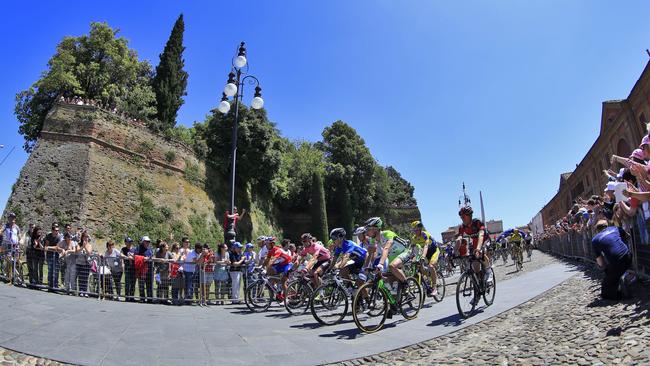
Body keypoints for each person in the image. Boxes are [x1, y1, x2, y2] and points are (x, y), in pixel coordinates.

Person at [592, 220, 633, 300]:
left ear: (597, 230)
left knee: (605, 288)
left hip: (616, 262)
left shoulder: (595, 239)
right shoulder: (616, 228)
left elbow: (600, 262)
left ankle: (620, 293)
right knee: (614, 272)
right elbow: (628, 236)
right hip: (628, 256)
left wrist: (604, 268)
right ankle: (624, 276)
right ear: (607, 226)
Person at [456, 206, 491, 297]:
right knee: (475, 267)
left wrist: (478, 249)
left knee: (481, 254)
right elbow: (459, 238)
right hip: (475, 241)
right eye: (461, 217)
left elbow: (481, 235)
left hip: (484, 240)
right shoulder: (462, 226)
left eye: (464, 216)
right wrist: (455, 250)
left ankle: (488, 271)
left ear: (469, 216)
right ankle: (479, 288)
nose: (462, 218)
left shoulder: (477, 222)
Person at [329, 228, 367, 292]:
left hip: (364, 261)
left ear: (341, 237)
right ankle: (351, 287)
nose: (332, 240)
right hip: (356, 262)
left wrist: (339, 267)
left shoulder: (349, 244)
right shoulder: (339, 247)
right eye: (332, 238)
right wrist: (330, 269)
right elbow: (334, 259)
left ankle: (367, 299)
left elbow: (346, 257)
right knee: (342, 272)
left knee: (360, 283)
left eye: (334, 238)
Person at [411, 221, 440, 297]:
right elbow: (413, 249)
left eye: (417, 230)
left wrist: (423, 256)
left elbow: (426, 246)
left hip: (433, 251)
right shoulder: (414, 238)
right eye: (414, 230)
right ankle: (431, 276)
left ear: (420, 229)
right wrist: (411, 257)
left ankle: (434, 287)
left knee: (431, 266)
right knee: (420, 269)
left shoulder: (424, 234)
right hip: (425, 253)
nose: (415, 232)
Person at [262, 237, 293, 301]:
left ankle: (286, 299)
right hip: (280, 265)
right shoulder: (270, 250)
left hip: (287, 264)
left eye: (267, 244)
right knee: (270, 279)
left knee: (283, 281)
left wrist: (266, 269)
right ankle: (278, 290)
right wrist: (261, 266)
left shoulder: (277, 250)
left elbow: (272, 260)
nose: (266, 246)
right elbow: (267, 260)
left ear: (272, 244)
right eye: (266, 244)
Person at [1, 212, 21, 283]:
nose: (12, 219)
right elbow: (1, 231)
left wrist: (19, 242)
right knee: (9, 260)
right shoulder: (5, 226)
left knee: (16, 261)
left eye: (13, 217)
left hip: (15, 246)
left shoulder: (16, 227)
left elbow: (19, 235)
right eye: (11, 217)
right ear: (8, 218)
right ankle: (11, 276)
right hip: (8, 245)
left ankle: (15, 276)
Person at [43, 223, 63, 289]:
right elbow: (46, 245)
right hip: (49, 255)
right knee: (50, 270)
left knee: (56, 271)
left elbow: (57, 247)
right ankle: (50, 285)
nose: (57, 232)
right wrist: (46, 253)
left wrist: (48, 247)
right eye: (56, 230)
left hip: (56, 255)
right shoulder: (49, 235)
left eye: (58, 230)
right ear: (52, 231)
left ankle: (55, 285)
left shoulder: (59, 236)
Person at [136, 236, 154, 302]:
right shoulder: (138, 248)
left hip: (149, 268)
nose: (148, 243)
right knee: (141, 284)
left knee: (149, 284)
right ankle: (142, 298)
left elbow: (152, 256)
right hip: (141, 268)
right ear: (143, 242)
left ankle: (150, 299)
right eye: (146, 241)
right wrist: (143, 258)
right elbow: (135, 256)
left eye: (148, 241)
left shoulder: (151, 248)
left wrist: (149, 258)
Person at [76, 231, 93, 297]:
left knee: (85, 278)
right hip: (79, 263)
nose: (86, 238)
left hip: (86, 264)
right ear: (82, 237)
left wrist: (85, 246)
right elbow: (77, 251)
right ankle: (81, 291)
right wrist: (82, 246)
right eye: (85, 236)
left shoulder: (89, 245)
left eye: (87, 237)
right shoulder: (78, 244)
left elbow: (89, 253)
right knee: (80, 278)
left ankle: (85, 291)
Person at [121, 237, 136, 302]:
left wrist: (132, 257)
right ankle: (127, 297)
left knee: (133, 283)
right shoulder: (123, 249)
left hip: (134, 268)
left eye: (130, 242)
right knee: (127, 283)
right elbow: (121, 255)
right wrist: (127, 257)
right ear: (125, 243)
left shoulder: (134, 249)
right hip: (127, 268)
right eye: (128, 242)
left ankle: (132, 297)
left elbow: (137, 256)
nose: (130, 243)